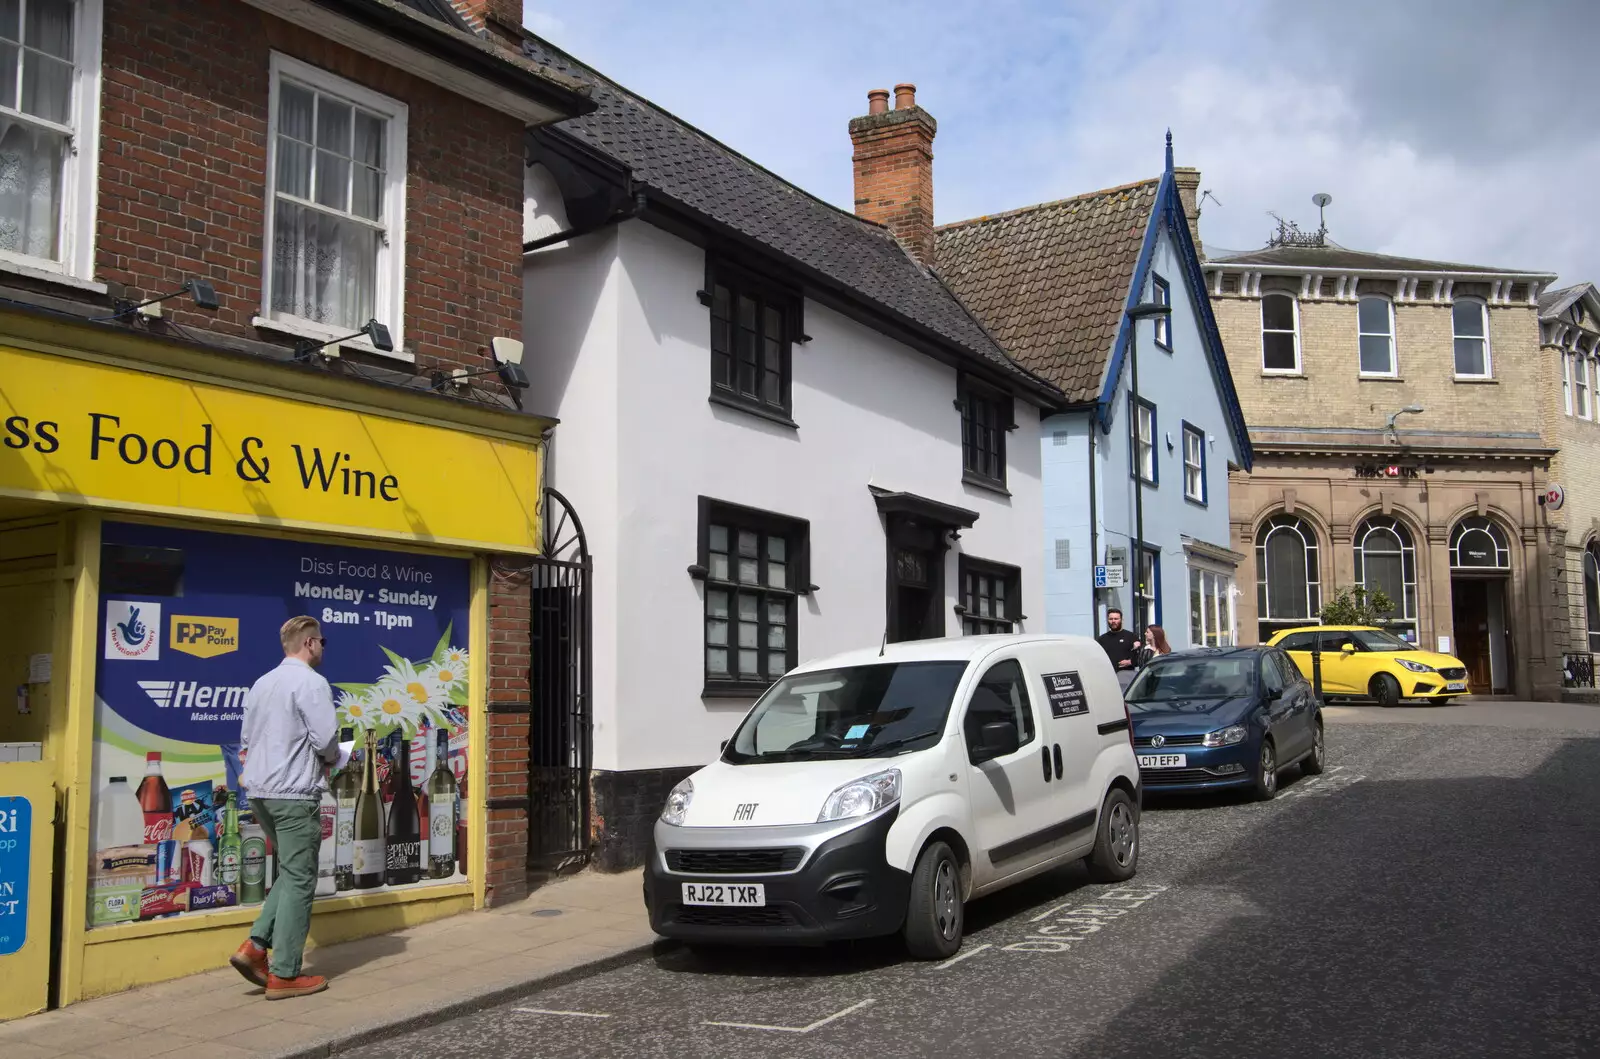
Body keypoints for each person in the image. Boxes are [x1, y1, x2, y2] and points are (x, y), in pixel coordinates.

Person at [229, 616, 340, 1000]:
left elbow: (245, 738)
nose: (323, 647)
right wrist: (332, 757)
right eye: (321, 641)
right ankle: (285, 974)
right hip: (293, 792)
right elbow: (326, 738)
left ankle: (255, 947)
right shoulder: (311, 682)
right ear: (309, 643)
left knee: (290, 873)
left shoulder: (262, 683)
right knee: (300, 878)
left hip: (260, 791)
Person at [1096, 608, 1142, 688]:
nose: (1113, 621)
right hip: (1108, 678)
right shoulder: (1101, 639)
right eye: (1111, 619)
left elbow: (1140, 658)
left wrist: (1130, 662)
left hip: (1126, 678)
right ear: (1107, 620)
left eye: (1116, 619)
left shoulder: (1131, 637)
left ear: (1121, 620)